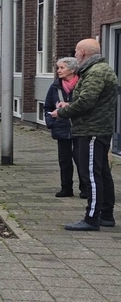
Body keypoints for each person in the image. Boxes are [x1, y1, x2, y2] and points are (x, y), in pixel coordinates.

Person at [50, 38, 118, 231]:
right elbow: (90, 100)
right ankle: (106, 215)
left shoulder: (95, 72)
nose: (75, 55)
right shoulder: (99, 70)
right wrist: (69, 104)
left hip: (91, 130)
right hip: (97, 128)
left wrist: (61, 112)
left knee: (91, 174)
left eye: (76, 52)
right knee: (103, 172)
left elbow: (87, 102)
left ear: (82, 53)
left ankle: (91, 218)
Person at [44, 57, 89, 199]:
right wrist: (51, 123)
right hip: (62, 128)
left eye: (62, 68)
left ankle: (85, 189)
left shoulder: (82, 85)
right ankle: (66, 188)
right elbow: (48, 106)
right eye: (58, 68)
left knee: (81, 159)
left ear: (72, 69)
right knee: (64, 160)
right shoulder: (55, 86)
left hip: (80, 128)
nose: (58, 71)